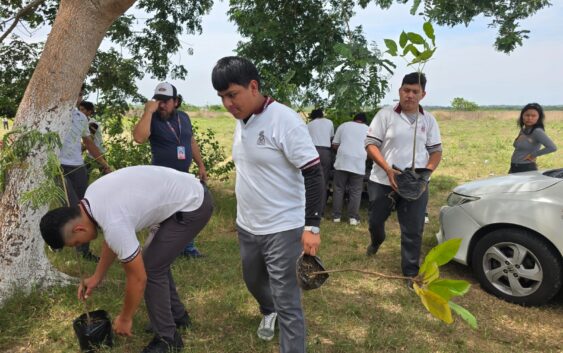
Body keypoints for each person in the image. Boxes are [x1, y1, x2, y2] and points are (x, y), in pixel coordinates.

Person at [212, 56, 323, 353]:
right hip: (248, 225)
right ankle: (268, 309)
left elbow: (314, 172)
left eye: (232, 95)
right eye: (221, 97)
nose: (227, 104)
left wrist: (312, 225)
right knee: (253, 281)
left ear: (253, 86)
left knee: (288, 302)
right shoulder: (242, 119)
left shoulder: (284, 120)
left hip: (283, 228)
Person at [39, 166, 213, 353]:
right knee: (155, 260)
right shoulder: (92, 198)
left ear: (78, 229)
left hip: (193, 204)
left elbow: (138, 278)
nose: (78, 246)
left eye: (74, 244)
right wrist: (97, 276)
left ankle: (168, 338)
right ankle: (178, 317)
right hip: (183, 195)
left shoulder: (113, 223)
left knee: (152, 268)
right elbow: (112, 240)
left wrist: (125, 318)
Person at [364, 72, 442, 287]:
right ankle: (376, 241)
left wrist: (426, 173)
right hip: (383, 180)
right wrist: (388, 169)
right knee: (375, 221)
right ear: (399, 91)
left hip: (415, 184)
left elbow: (436, 151)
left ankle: (410, 274)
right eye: (406, 90)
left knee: (413, 229)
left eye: (414, 91)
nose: (409, 95)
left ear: (423, 94)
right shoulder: (385, 115)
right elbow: (371, 144)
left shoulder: (428, 120)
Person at [133, 82, 207, 258]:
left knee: (187, 211)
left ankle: (187, 249)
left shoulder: (184, 117)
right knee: (162, 215)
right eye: (158, 100)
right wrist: (148, 112)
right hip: (161, 178)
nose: (162, 105)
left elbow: (191, 142)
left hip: (184, 175)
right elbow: (139, 138)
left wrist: (201, 165)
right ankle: (157, 252)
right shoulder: (152, 118)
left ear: (176, 101)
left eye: (166, 101)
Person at [59, 87, 112, 262]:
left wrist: (104, 164)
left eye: (81, 94)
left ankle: (83, 251)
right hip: (58, 167)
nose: (78, 96)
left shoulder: (81, 117)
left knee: (85, 209)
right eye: (76, 92)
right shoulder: (53, 114)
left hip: (78, 167)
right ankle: (58, 241)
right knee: (71, 206)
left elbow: (88, 143)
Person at [331, 112, 369, 225]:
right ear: (364, 121)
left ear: (354, 119)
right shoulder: (368, 129)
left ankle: (336, 217)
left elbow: (335, 144)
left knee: (338, 189)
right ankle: (353, 218)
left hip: (342, 161)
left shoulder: (344, 126)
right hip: (358, 162)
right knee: (356, 191)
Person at [509, 103, 557, 173]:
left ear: (539, 118)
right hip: (514, 166)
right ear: (522, 116)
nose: (530, 118)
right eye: (527, 115)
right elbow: (515, 145)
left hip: (526, 167)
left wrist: (533, 155)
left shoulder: (537, 131)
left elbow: (552, 147)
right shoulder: (524, 129)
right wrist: (518, 139)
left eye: (533, 116)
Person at [306, 108, 334, 216]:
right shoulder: (329, 122)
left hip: (312, 151)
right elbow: (331, 139)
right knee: (323, 181)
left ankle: (309, 209)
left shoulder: (309, 125)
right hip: (326, 152)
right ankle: (320, 210)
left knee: (310, 181)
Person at [78, 101, 106, 177]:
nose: (80, 112)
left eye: (82, 110)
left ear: (89, 112)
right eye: (79, 109)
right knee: (83, 175)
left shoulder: (93, 124)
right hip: (91, 154)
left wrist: (77, 151)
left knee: (107, 175)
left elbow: (88, 142)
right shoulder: (83, 122)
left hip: (98, 153)